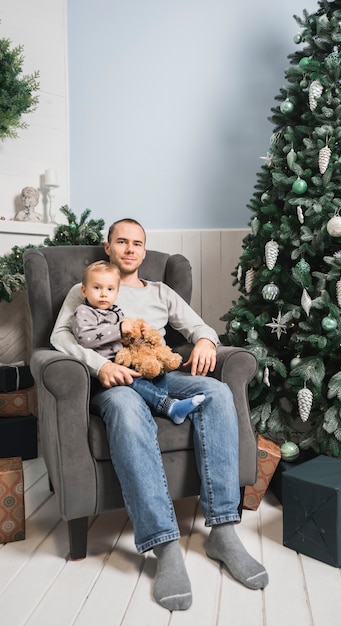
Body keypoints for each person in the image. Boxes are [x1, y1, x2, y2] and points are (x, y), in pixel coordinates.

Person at [51, 218, 268, 611]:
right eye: (122, 241)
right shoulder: (85, 288)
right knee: (126, 408)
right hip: (112, 383)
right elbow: (60, 336)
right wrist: (100, 367)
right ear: (108, 247)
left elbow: (199, 325)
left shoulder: (161, 291)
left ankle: (223, 530)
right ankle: (165, 545)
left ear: (144, 251)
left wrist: (204, 340)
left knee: (217, 392)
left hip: (162, 374)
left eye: (137, 243)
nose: (130, 249)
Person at [71, 259, 205, 424]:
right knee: (132, 380)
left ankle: (161, 401)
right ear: (84, 290)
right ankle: (167, 406)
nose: (104, 293)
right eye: (97, 288)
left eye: (110, 289)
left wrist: (138, 332)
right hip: (105, 372)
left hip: (125, 360)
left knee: (153, 372)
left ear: (117, 293)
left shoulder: (115, 311)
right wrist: (120, 329)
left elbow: (125, 336)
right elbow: (84, 338)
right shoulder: (84, 312)